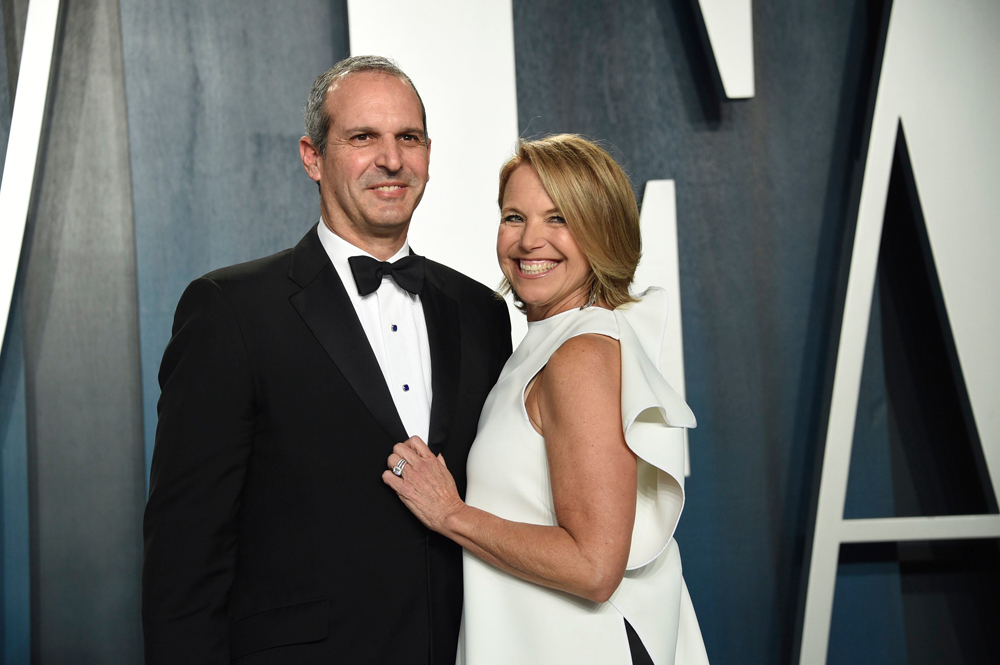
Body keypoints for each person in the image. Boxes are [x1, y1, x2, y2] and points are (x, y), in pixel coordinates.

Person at [142, 55, 511, 664]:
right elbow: (185, 554)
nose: (391, 159)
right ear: (312, 157)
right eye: (363, 137)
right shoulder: (230, 310)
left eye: (408, 138)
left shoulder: (482, 312)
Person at [383, 134, 709, 664]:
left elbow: (594, 567)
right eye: (515, 217)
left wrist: (450, 514)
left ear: (602, 232)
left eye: (559, 219)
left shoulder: (580, 354)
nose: (530, 240)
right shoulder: (549, 342)